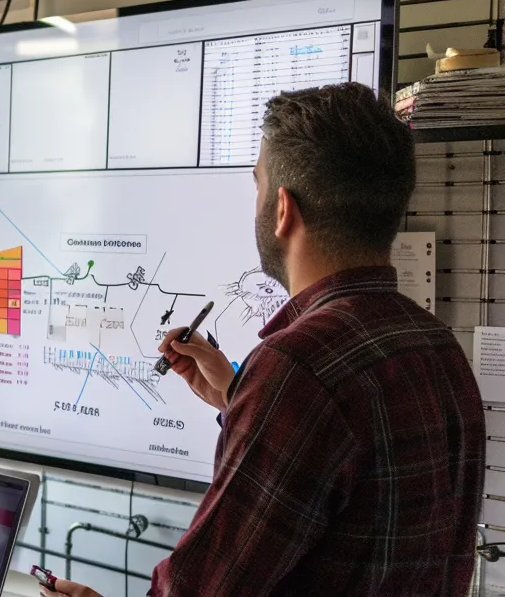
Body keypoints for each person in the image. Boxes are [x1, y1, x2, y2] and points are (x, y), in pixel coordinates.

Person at [43, 83, 484, 597]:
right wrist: (237, 395)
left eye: (257, 185)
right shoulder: (435, 344)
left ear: (282, 210)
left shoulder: (297, 368)